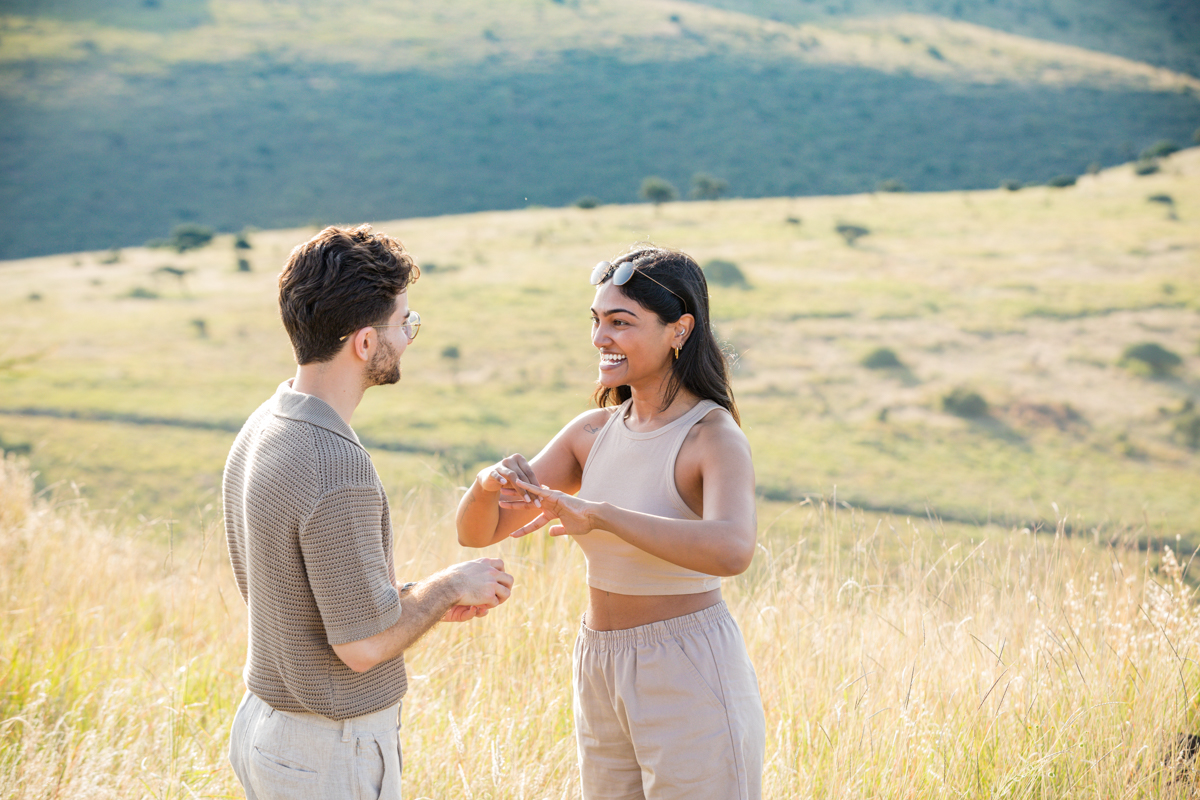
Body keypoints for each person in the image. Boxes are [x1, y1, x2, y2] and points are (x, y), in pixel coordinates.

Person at [456, 245, 765, 799]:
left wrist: (601, 516)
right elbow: (476, 532)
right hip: (600, 661)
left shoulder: (711, 436)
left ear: (680, 330)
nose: (601, 338)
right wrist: (485, 483)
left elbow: (733, 548)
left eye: (621, 323)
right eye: (597, 321)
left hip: (687, 664)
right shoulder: (591, 433)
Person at [223, 224, 514, 800]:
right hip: (327, 751)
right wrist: (452, 583)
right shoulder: (335, 464)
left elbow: (307, 594)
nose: (409, 336)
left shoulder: (268, 422)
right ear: (363, 343)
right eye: (404, 323)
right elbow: (359, 650)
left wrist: (418, 601)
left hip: (267, 726)